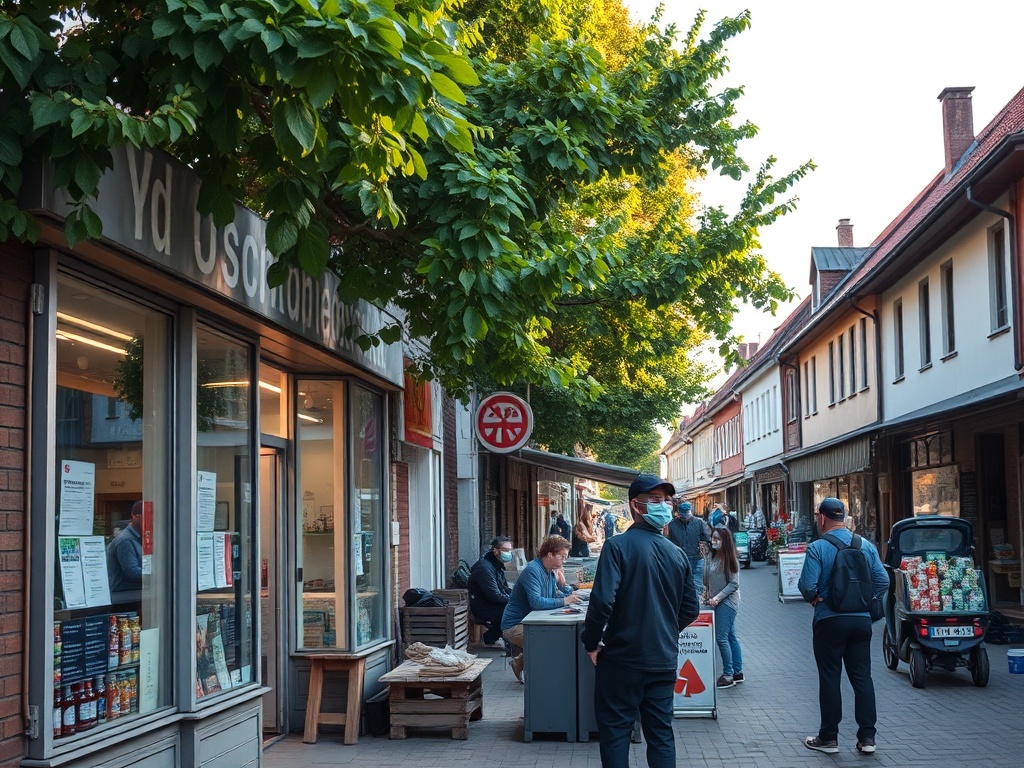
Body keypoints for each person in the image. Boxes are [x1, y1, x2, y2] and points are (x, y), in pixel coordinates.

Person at [582, 474, 699, 768]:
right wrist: (665, 631)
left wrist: (592, 641)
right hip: (662, 658)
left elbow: (602, 601)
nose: (665, 506)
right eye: (656, 500)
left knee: (616, 733)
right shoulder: (677, 554)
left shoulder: (617, 546)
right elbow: (690, 610)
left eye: (667, 500)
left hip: (622, 658)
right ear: (636, 505)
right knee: (660, 735)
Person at [797, 497, 888, 756]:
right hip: (861, 622)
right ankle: (867, 738)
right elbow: (882, 581)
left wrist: (814, 597)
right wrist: (865, 605)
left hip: (829, 621)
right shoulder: (865, 546)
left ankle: (828, 738)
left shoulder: (818, 547)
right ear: (844, 517)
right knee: (862, 678)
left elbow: (806, 585)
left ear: (822, 518)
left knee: (830, 678)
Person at [501, 535, 580, 681]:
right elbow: (536, 602)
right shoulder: (533, 571)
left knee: (559, 637)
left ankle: (521, 662)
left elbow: (555, 595)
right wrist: (565, 601)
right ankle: (530, 670)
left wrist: (564, 586)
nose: (564, 561)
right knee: (552, 641)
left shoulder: (549, 572)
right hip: (515, 624)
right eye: (562, 557)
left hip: (532, 621)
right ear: (550, 554)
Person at [703, 527, 743, 688]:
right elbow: (706, 579)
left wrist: (717, 598)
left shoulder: (729, 558)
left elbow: (734, 583)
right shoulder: (713, 556)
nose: (714, 541)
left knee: (722, 637)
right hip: (717, 600)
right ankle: (737, 672)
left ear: (724, 541)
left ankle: (728, 675)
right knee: (731, 636)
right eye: (713, 538)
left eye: (717, 539)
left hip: (727, 602)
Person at [467, 536, 514, 648]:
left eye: (510, 550)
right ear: (496, 551)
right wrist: (514, 600)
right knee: (512, 611)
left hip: (491, 604)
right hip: (483, 607)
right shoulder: (484, 568)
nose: (509, 553)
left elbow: (504, 588)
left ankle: (494, 637)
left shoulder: (496, 566)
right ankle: (493, 637)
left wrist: (516, 595)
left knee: (514, 607)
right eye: (506, 550)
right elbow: (494, 595)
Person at [666, 499, 712, 600]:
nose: (685, 517)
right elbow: (668, 542)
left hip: (697, 559)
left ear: (690, 512)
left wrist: (705, 545)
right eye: (682, 514)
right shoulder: (672, 524)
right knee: (681, 586)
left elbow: (707, 539)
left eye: (686, 514)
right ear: (678, 513)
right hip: (679, 560)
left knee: (697, 586)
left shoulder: (699, 523)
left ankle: (695, 607)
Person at [108, 500, 144, 594]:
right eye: (142, 516)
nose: (147, 521)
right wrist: (161, 573)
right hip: (125, 597)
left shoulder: (141, 538)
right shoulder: (125, 541)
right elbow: (132, 573)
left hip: (135, 593)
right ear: (133, 516)